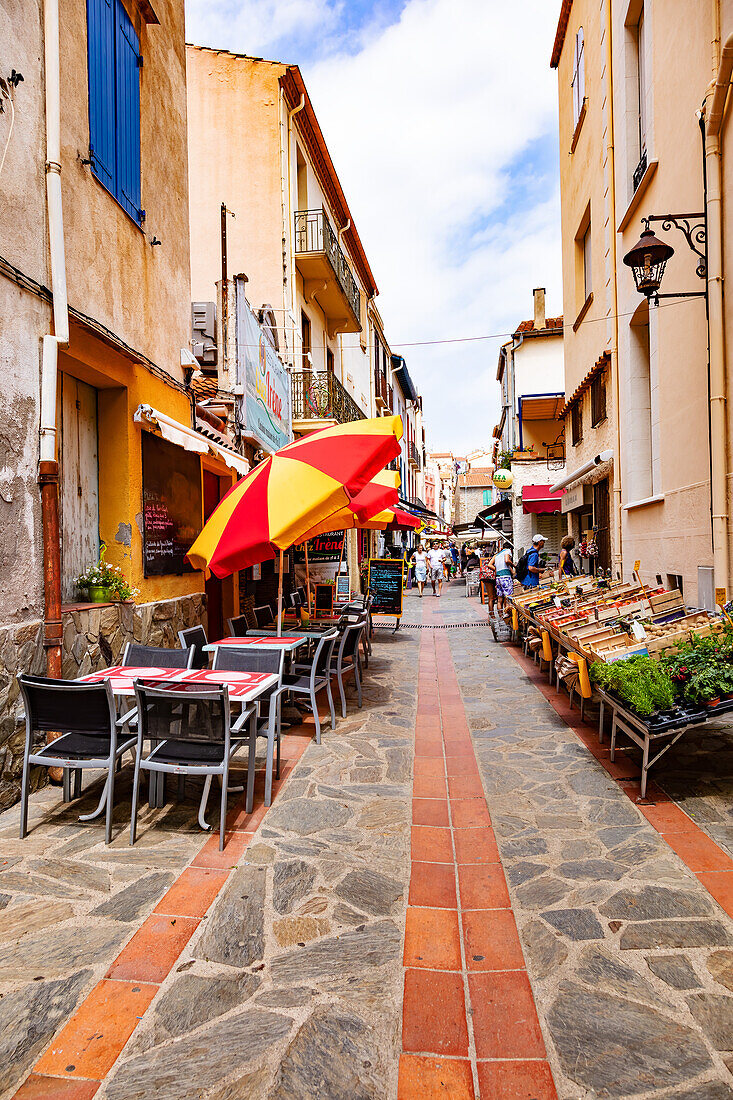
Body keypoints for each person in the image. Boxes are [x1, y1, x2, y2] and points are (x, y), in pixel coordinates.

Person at [491, 541, 514, 615]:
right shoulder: (507, 551)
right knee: (508, 598)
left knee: (499, 599)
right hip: (505, 577)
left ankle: (500, 616)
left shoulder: (497, 555)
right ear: (510, 548)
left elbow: (490, 565)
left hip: (498, 577)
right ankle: (508, 617)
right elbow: (507, 561)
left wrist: (497, 569)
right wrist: (514, 565)